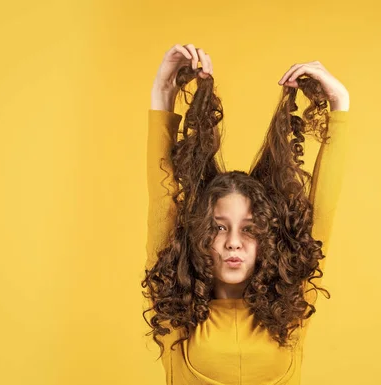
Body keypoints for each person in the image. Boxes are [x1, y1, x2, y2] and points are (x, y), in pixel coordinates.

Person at [142, 43, 350, 384]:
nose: (233, 243)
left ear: (267, 237)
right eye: (219, 228)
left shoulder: (291, 310)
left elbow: (322, 213)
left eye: (249, 229)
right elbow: (162, 202)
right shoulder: (175, 311)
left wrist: (340, 105)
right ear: (199, 237)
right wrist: (163, 92)